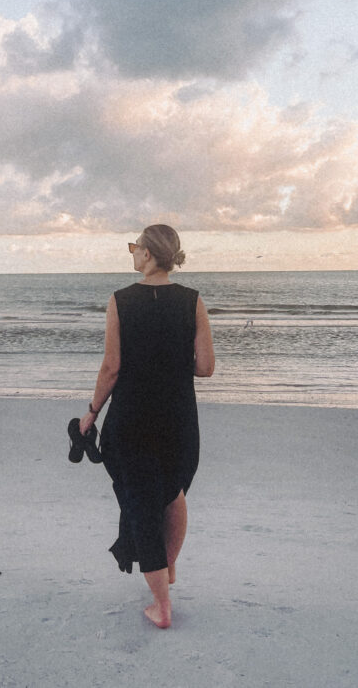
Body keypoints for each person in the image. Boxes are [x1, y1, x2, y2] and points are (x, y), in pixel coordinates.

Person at [79, 224, 215, 629]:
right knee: (172, 492)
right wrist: (171, 368)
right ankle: (167, 570)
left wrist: (91, 411)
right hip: (178, 419)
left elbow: (112, 367)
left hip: (133, 418)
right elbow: (206, 368)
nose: (132, 253)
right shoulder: (193, 301)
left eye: (134, 247)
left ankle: (162, 606)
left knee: (139, 503)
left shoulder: (120, 300)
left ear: (149, 254)